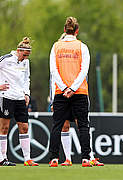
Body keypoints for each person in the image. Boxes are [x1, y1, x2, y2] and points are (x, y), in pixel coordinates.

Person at [49, 17, 92, 167]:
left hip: (61, 92)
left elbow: (53, 70)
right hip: (79, 91)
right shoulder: (82, 47)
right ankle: (86, 158)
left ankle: (54, 158)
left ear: (64, 30)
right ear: (77, 31)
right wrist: (73, 88)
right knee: (83, 126)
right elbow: (84, 70)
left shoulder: (56, 46)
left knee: (57, 125)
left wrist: (64, 88)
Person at [0, 37, 39, 166]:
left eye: (28, 56)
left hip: (20, 98)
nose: (25, 58)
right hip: (6, 97)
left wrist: (26, 93)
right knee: (4, 128)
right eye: (24, 55)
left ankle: (27, 159)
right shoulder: (5, 60)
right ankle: (2, 158)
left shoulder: (26, 62)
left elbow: (26, 78)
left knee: (24, 127)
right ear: (18, 51)